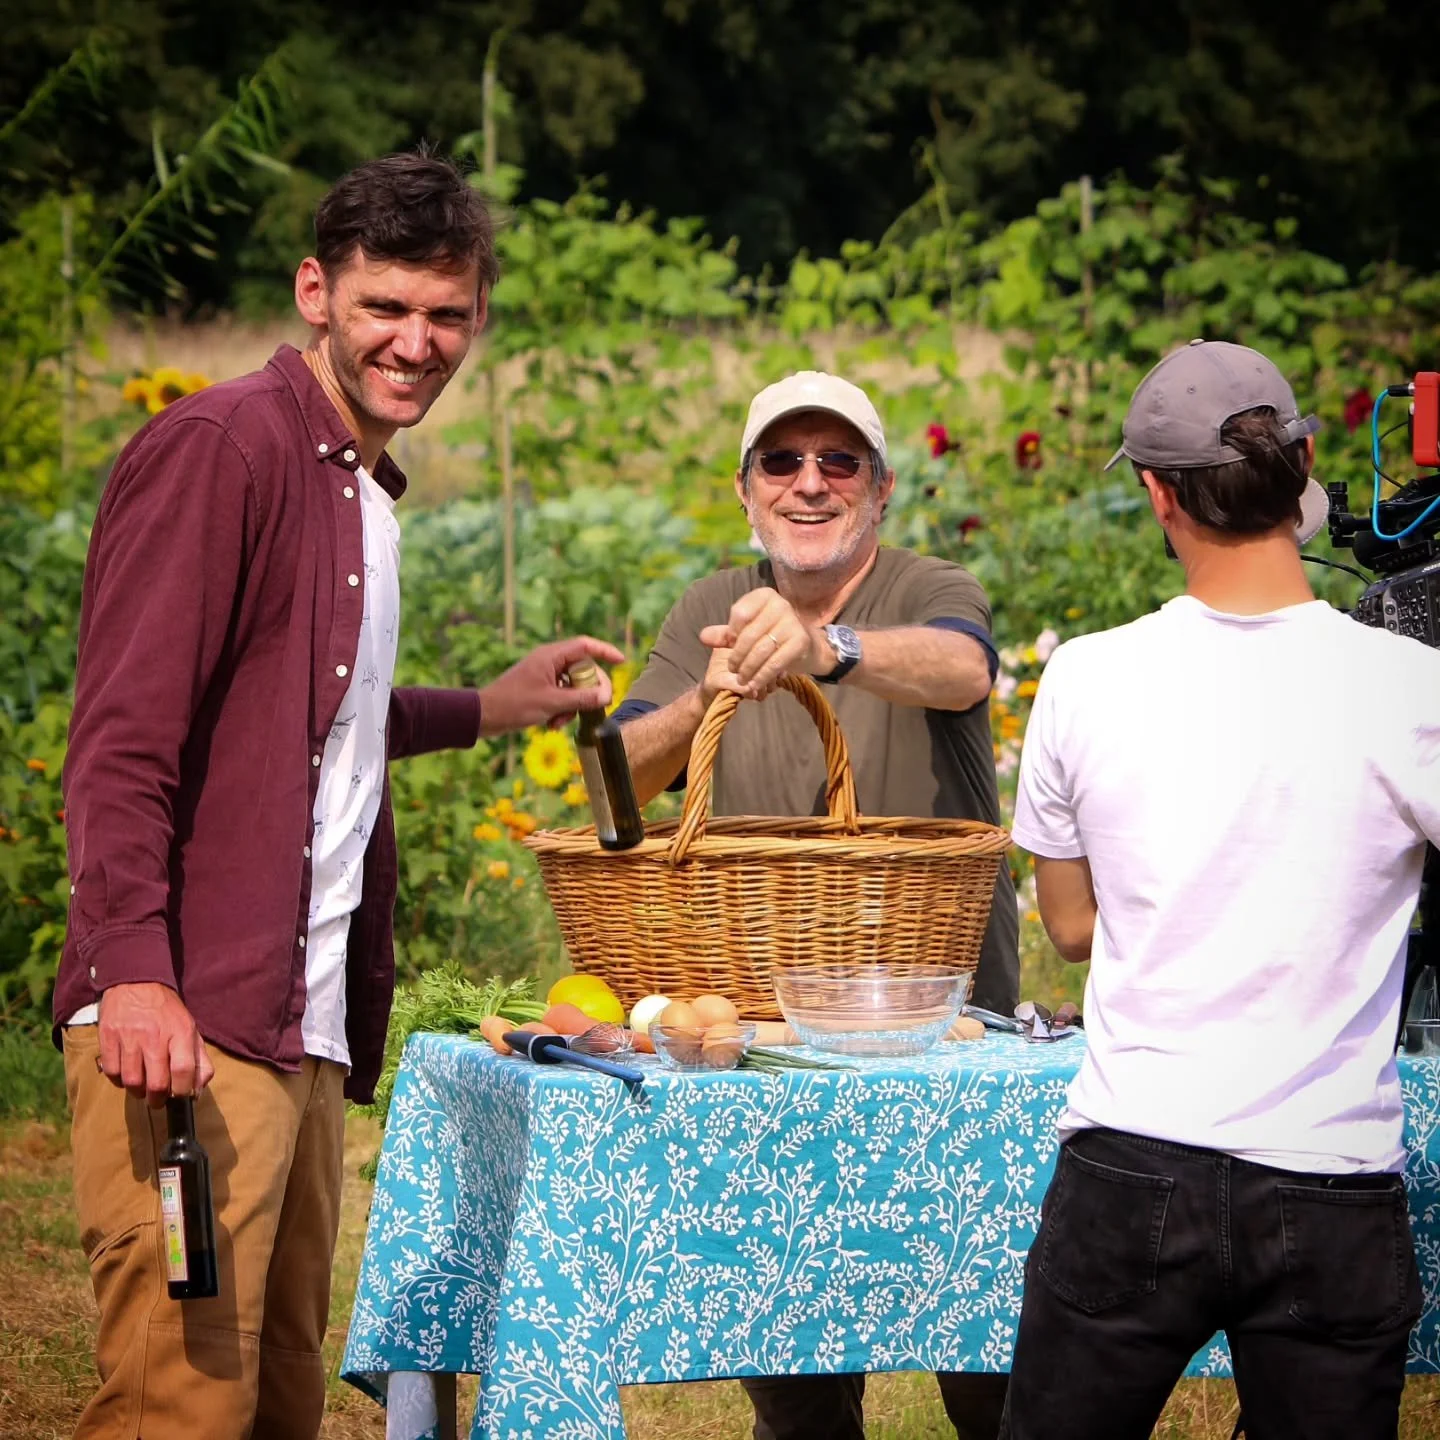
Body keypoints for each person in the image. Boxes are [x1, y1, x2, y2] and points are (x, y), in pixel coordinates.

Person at [53, 151, 622, 1440]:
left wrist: (492, 707)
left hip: (296, 1033)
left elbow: (314, 720)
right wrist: (133, 969)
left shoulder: (354, 486)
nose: (415, 343)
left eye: (446, 314)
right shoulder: (221, 451)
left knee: (275, 1398)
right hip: (187, 1023)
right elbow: (122, 743)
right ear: (316, 291)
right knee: (176, 1401)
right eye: (384, 306)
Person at [1003, 340, 1440, 1440]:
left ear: (1157, 494)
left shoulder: (1086, 677)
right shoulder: (1411, 687)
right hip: (1330, 1173)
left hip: (1133, 1158)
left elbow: (1068, 929)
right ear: (1304, 467)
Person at [615, 370, 1019, 1440]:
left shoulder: (934, 585)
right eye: (781, 463)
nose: (810, 484)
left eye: (838, 462)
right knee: (792, 1352)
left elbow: (963, 671)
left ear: (880, 490)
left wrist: (827, 649)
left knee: (986, 1349)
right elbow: (615, 778)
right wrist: (720, 682)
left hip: (943, 1023)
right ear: (744, 490)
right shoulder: (712, 607)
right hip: (765, 1033)